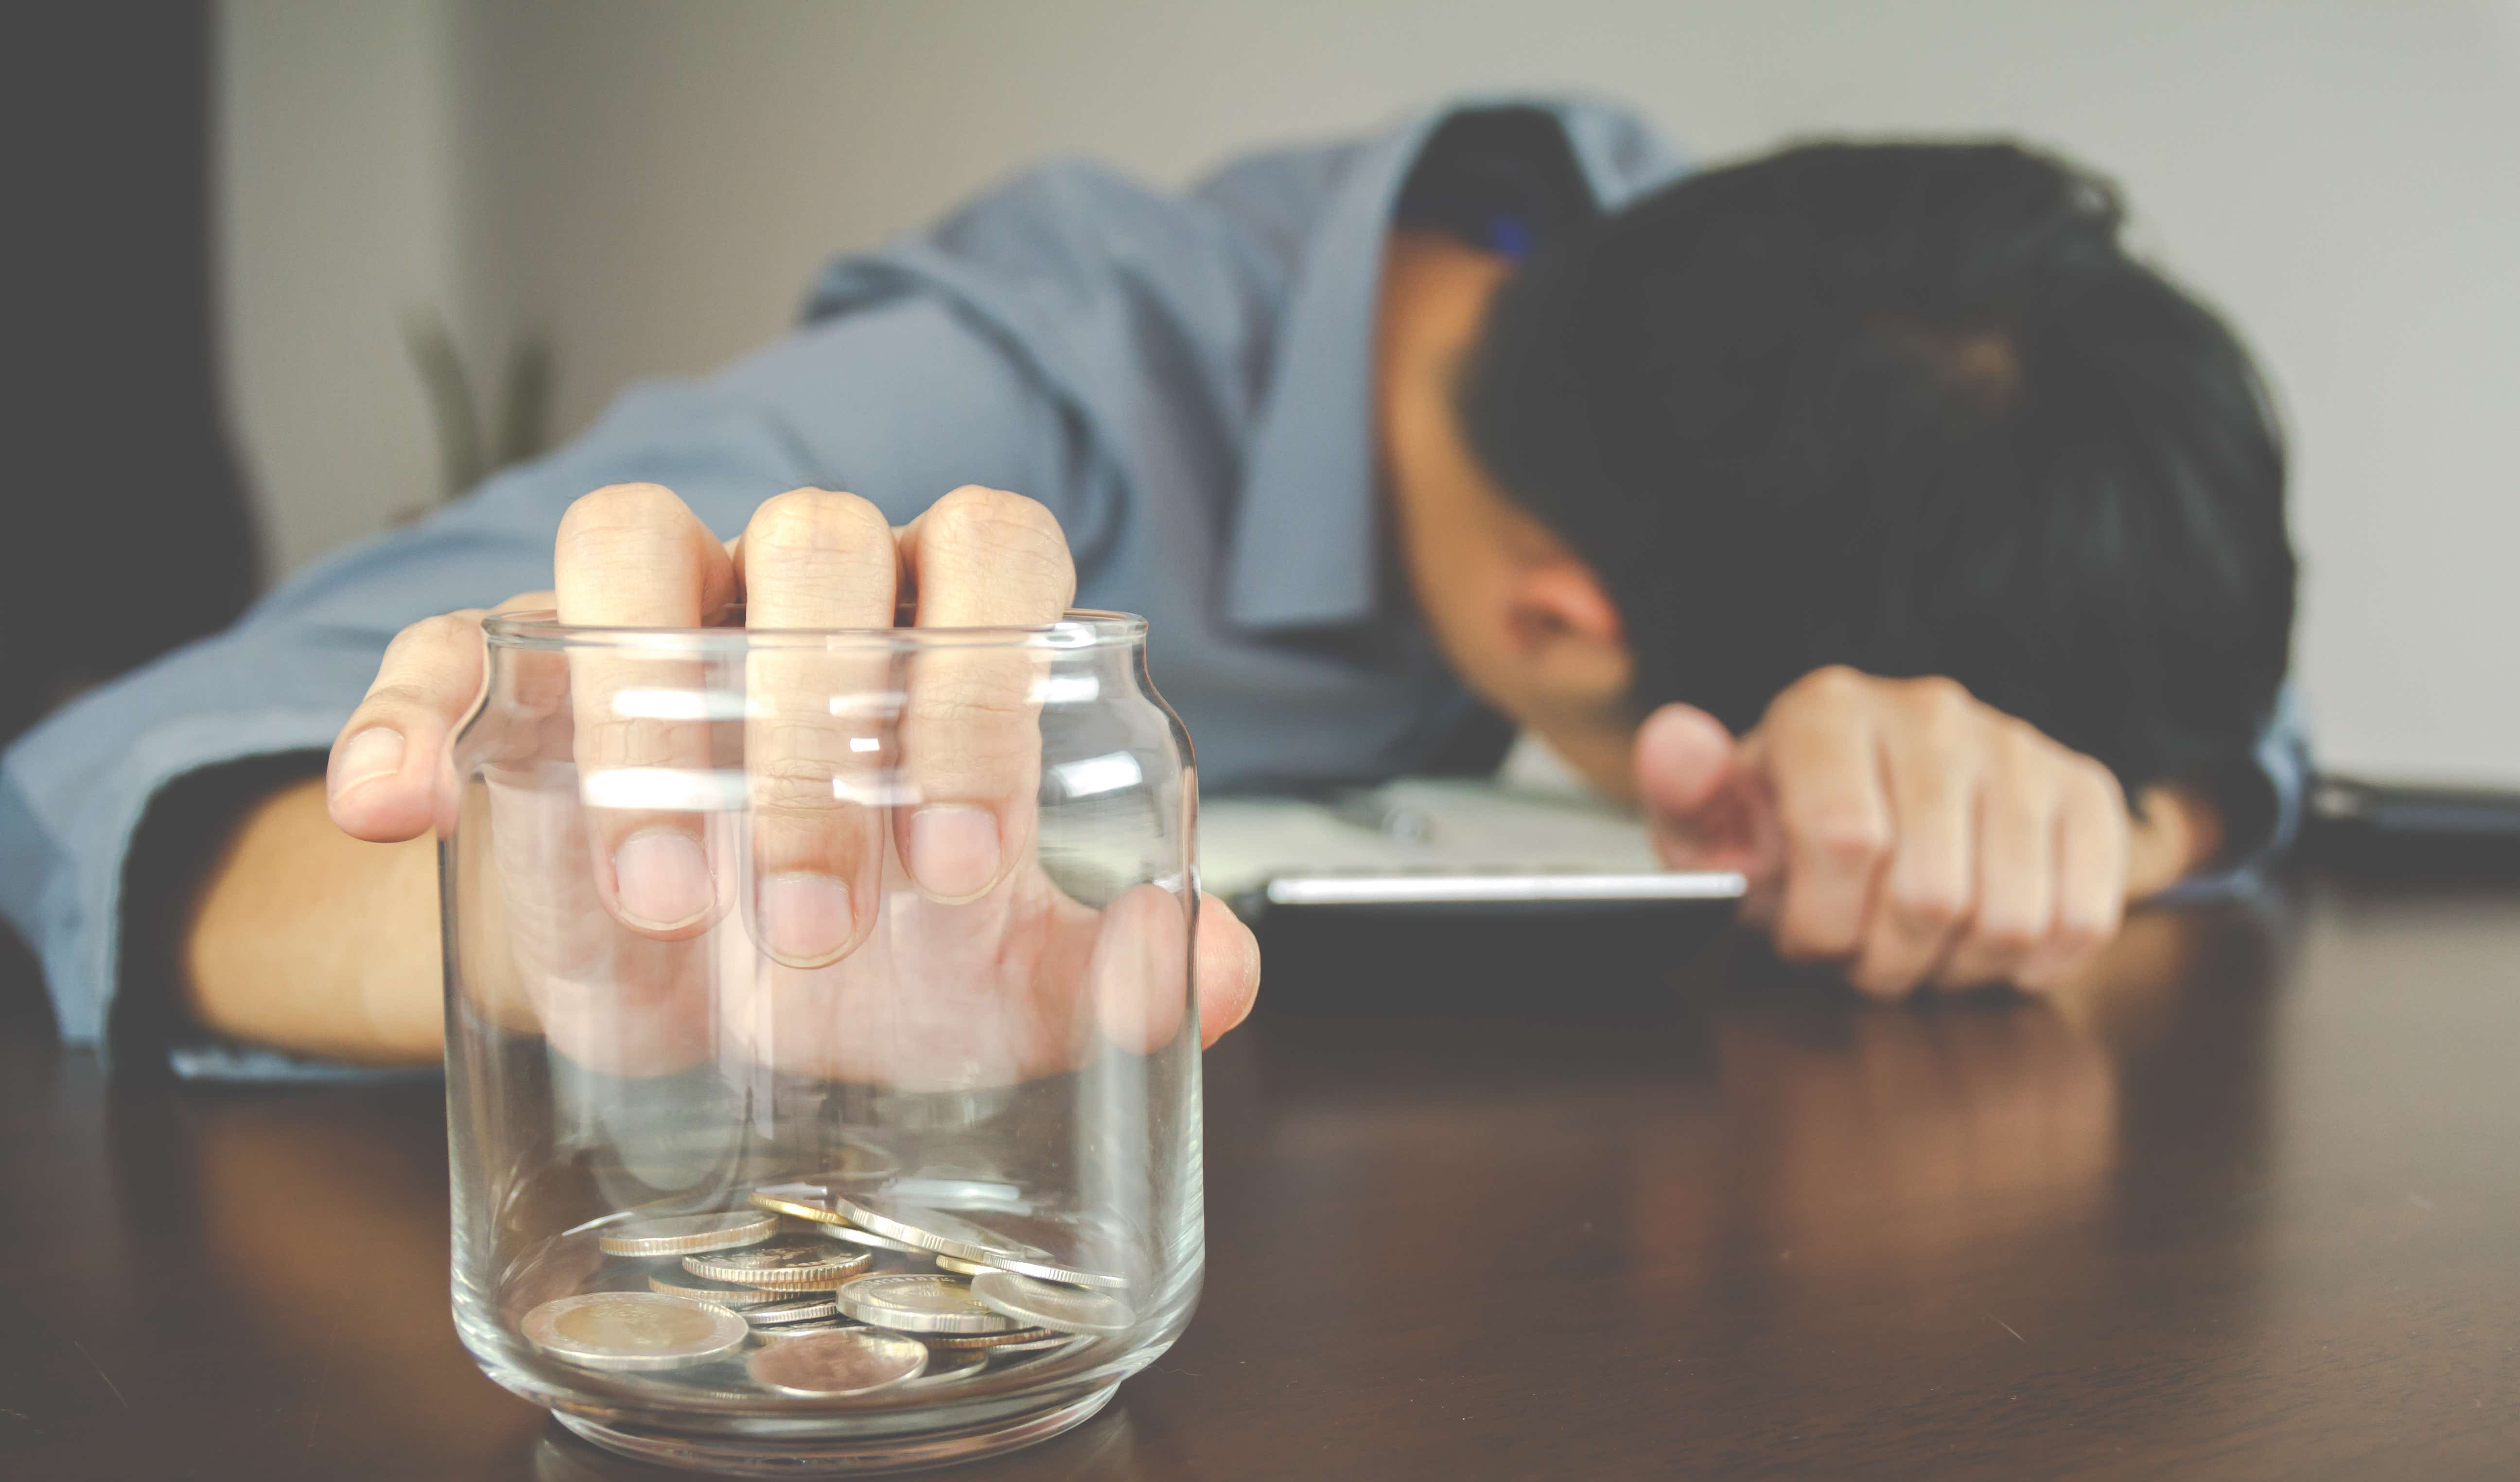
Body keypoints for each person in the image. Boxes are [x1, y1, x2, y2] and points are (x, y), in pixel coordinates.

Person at [0, 98, 2301, 1072]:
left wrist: (2114, 816)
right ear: (1564, 628)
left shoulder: (1773, 322)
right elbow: (113, 774)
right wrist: (567, 921)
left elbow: (2205, 696)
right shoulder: (976, 407)